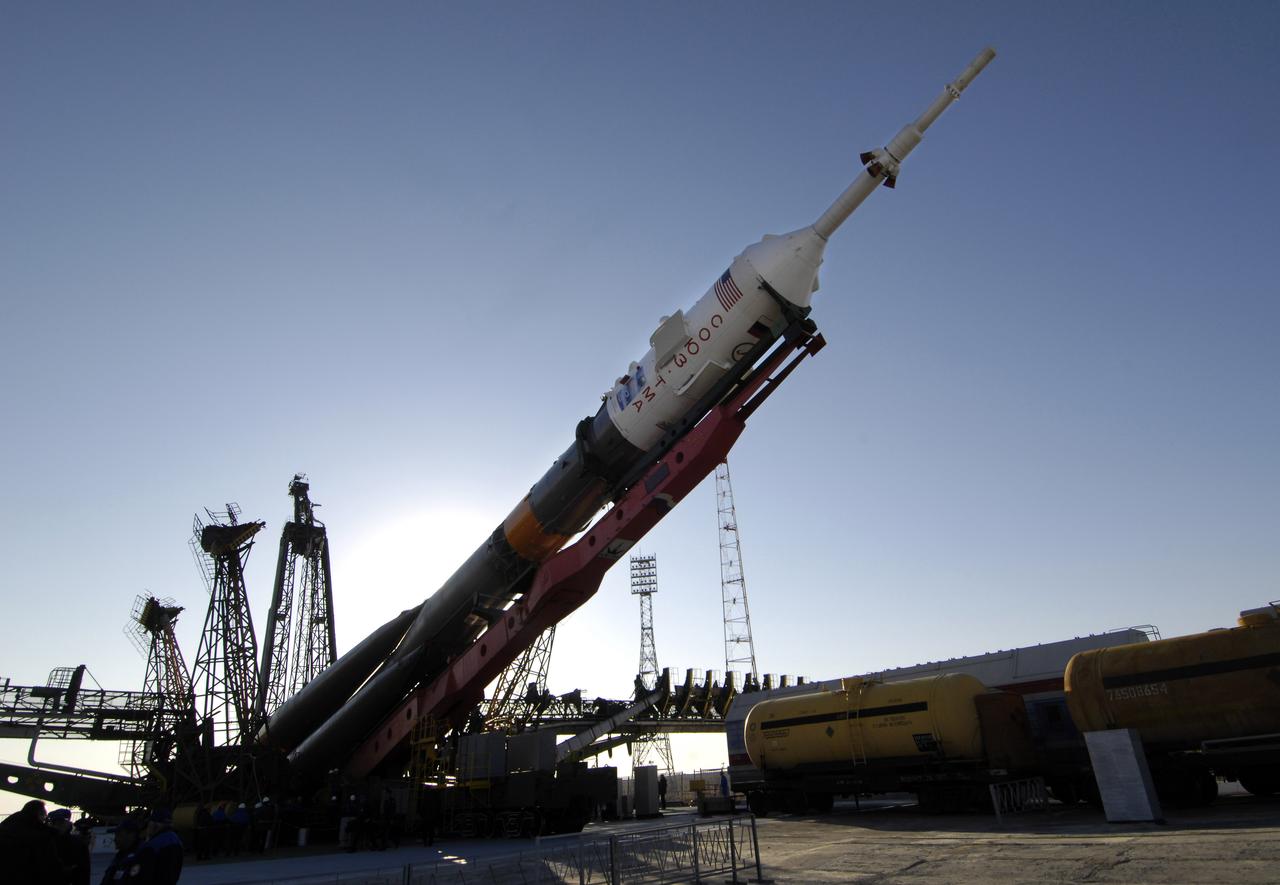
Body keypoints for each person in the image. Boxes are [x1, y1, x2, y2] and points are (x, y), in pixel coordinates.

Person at [0, 799, 65, 884]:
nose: (45, 820)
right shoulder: (41, 835)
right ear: (39, 814)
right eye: (45, 816)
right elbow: (49, 864)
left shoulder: (7, 826)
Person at [99, 818, 152, 883]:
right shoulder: (120, 855)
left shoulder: (143, 854)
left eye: (119, 835)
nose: (115, 839)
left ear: (131, 835)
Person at [139, 807, 183, 885]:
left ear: (156, 824)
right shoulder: (176, 840)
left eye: (150, 823)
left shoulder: (154, 844)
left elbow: (145, 873)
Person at [47, 808, 90, 885]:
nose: (58, 825)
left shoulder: (77, 842)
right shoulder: (48, 841)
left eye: (61, 822)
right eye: (56, 822)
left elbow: (84, 869)